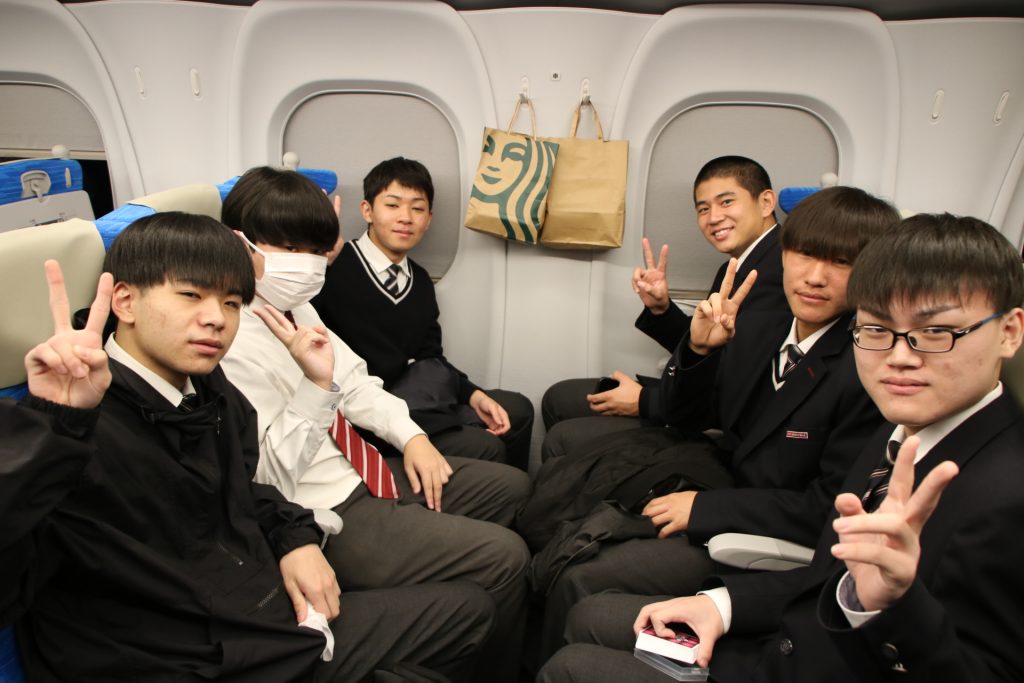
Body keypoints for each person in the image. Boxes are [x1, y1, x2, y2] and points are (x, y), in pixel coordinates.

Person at [0, 213, 494, 682]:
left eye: (232, 303)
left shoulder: (205, 388)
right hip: (195, 658)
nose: (216, 319)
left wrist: (293, 537)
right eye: (191, 295)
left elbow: (242, 486)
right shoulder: (68, 429)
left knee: (468, 610)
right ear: (125, 302)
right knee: (475, 600)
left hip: (258, 616)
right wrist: (57, 426)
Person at [540, 213, 1024, 682]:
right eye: (877, 329)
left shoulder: (1004, 495)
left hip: (805, 643)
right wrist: (723, 606)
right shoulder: (904, 427)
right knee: (587, 612)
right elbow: (828, 575)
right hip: (785, 634)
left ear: (1009, 332)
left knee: (572, 659)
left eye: (935, 332)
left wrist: (892, 606)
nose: (899, 357)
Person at [536, 186, 897, 662]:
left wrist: (706, 509)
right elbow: (694, 417)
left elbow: (825, 508)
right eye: (805, 255)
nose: (814, 277)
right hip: (715, 482)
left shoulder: (867, 371)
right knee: (573, 528)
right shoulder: (766, 324)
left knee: (581, 577)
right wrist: (699, 350)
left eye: (841, 263)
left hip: (755, 531)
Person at [217, 167, 530, 683]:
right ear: (239, 244)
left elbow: (357, 383)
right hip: (324, 508)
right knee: (506, 558)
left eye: (314, 250)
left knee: (512, 488)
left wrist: (413, 438)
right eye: (288, 248)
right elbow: (268, 476)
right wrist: (316, 388)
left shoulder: (296, 307)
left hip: (363, 469)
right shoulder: (227, 339)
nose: (305, 264)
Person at [539, 155, 789, 461]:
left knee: (562, 438)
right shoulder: (734, 268)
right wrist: (661, 308)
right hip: (692, 396)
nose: (713, 218)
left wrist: (645, 401)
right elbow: (707, 348)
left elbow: (737, 386)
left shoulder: (779, 272)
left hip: (719, 422)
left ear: (765, 203)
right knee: (559, 397)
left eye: (726, 202)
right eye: (703, 209)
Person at [311, 157, 534, 471]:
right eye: (392, 205)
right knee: (487, 446)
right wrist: (318, 267)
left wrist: (473, 395)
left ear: (429, 219)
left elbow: (430, 356)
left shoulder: (419, 281)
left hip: (415, 397)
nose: (405, 218)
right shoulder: (333, 266)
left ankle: (516, 499)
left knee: (518, 410)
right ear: (367, 211)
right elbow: (304, 328)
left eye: (417, 209)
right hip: (366, 414)